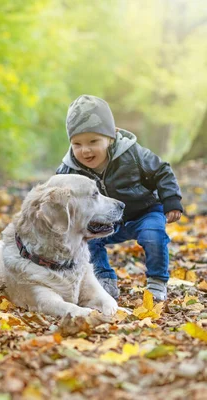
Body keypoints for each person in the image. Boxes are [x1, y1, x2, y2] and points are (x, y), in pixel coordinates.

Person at [56, 94, 183, 301]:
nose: (85, 150)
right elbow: (57, 191)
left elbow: (162, 171)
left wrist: (171, 200)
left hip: (144, 211)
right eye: (77, 144)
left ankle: (157, 282)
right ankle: (103, 279)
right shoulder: (69, 169)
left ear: (111, 136)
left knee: (153, 235)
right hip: (105, 220)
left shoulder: (132, 153)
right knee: (85, 240)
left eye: (93, 141)